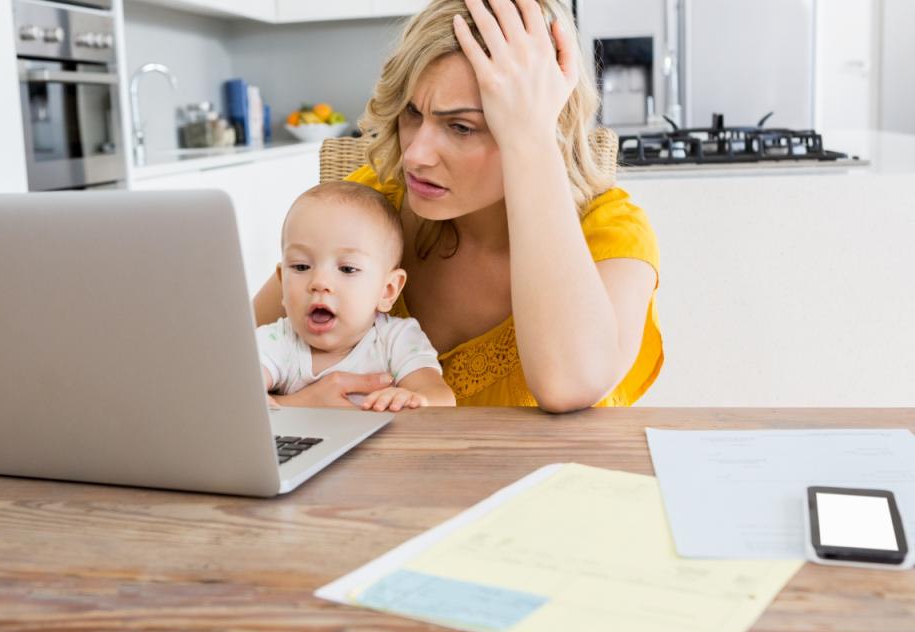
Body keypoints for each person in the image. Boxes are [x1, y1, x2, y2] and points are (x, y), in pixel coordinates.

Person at [254, 0, 662, 413]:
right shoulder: (368, 208)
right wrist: (298, 405)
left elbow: (568, 386)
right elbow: (226, 359)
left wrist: (532, 138)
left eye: (461, 127)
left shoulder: (610, 231)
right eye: (413, 113)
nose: (415, 155)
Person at [257, 181, 456, 412]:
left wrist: (415, 399)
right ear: (282, 282)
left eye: (347, 269)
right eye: (301, 267)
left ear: (388, 290)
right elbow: (236, 390)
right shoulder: (278, 341)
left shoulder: (395, 340)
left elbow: (441, 396)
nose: (319, 283)